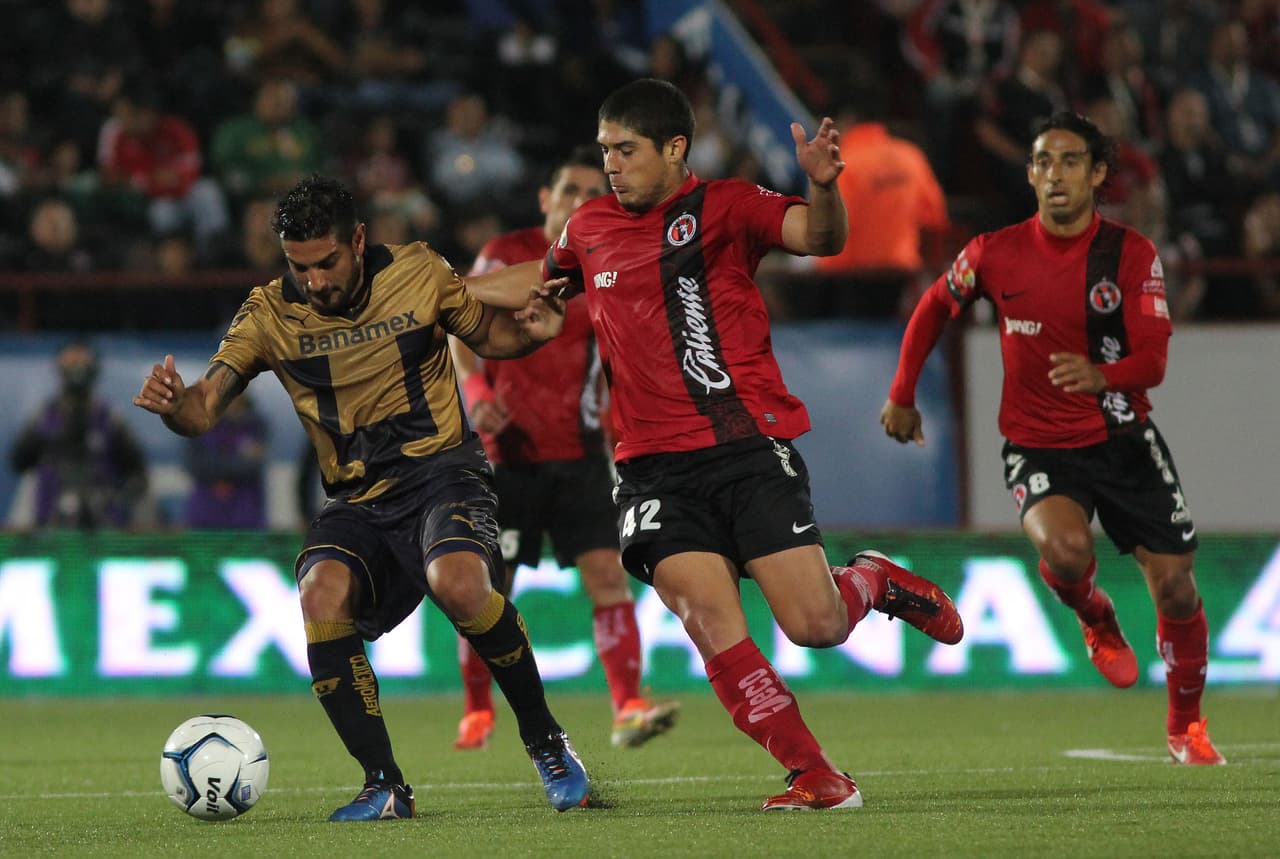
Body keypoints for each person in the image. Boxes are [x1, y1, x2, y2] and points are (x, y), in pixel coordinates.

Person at [534, 78, 965, 811]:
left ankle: (872, 580)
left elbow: (822, 238)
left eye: (625, 150)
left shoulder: (729, 207)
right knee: (707, 617)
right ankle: (814, 771)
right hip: (650, 469)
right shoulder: (586, 229)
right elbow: (544, 297)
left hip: (745, 448)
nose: (611, 164)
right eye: (605, 150)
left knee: (816, 625)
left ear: (674, 148)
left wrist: (824, 188)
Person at [133, 174, 593, 821]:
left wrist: (537, 332)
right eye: (301, 268)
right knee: (320, 590)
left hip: (445, 473)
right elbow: (204, 406)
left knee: (459, 582)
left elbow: (493, 339)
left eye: (326, 263)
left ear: (356, 240)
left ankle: (547, 742)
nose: (315, 281)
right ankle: (384, 784)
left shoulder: (419, 272)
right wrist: (176, 405)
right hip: (357, 499)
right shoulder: (268, 313)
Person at [880, 111, 1225, 766]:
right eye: (1043, 161)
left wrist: (1101, 374)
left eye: (1071, 161)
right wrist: (901, 392)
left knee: (1177, 588)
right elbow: (933, 306)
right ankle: (1094, 614)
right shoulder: (994, 251)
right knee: (1066, 554)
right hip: (1037, 444)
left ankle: (1187, 724)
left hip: (1122, 437)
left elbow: (1153, 359)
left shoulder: (1130, 255)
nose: (1055, 173)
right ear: (1031, 172)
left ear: (1097, 174)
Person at [449, 145, 679, 752]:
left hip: (579, 451)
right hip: (506, 455)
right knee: (488, 589)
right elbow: (459, 326)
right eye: (569, 191)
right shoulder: (503, 256)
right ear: (546, 200)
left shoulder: (603, 260)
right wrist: (476, 391)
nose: (579, 202)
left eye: (589, 193)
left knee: (608, 575)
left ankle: (629, 705)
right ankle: (478, 710)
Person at [11, 339, 148, 528]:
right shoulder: (46, 418)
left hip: (102, 523)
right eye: (71, 362)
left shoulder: (108, 419)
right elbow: (18, 461)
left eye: (82, 362)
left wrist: (119, 498)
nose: (77, 369)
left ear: (93, 368)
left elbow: (137, 471)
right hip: (52, 523)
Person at [184, 393, 268, 528]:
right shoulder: (198, 424)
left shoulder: (257, 425)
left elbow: (254, 466)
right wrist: (239, 461)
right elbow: (195, 465)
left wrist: (216, 464)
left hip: (246, 520)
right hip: (204, 519)